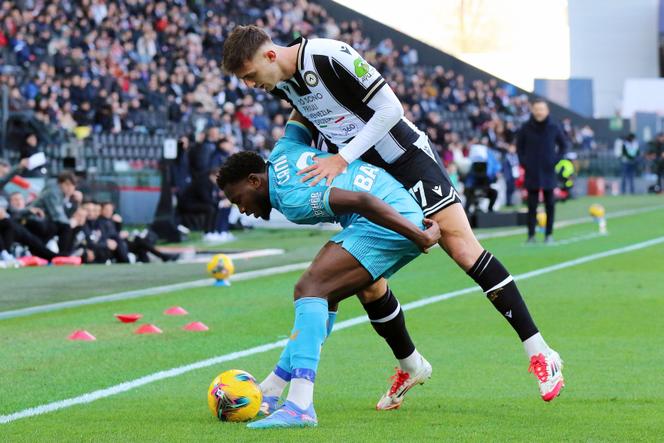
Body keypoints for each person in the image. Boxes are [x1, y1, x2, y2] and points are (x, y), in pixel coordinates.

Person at [222, 26, 565, 403]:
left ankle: (540, 353)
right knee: (366, 281)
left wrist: (342, 157)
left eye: (250, 75)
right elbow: (311, 121)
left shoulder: (329, 54)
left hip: (405, 158)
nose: (251, 85)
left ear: (270, 55)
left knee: (464, 251)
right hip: (367, 177)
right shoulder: (283, 84)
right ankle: (411, 366)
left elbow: (391, 109)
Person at [216, 121, 440, 429]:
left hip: (387, 219)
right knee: (324, 295)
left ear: (254, 181)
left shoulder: (291, 199)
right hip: (389, 212)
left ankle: (300, 406)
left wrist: (418, 235)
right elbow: (301, 116)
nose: (241, 209)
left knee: (309, 288)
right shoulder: (284, 148)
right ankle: (272, 388)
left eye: (237, 199)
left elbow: (362, 201)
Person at [516, 99, 568, 244]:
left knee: (550, 204)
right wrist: (524, 162)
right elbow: (519, 148)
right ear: (533, 110)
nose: (539, 112)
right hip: (531, 171)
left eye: (542, 109)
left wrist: (555, 160)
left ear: (547, 111)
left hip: (548, 171)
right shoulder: (526, 127)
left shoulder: (554, 127)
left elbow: (564, 146)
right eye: (536, 109)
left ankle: (549, 234)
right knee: (531, 205)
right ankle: (531, 235)